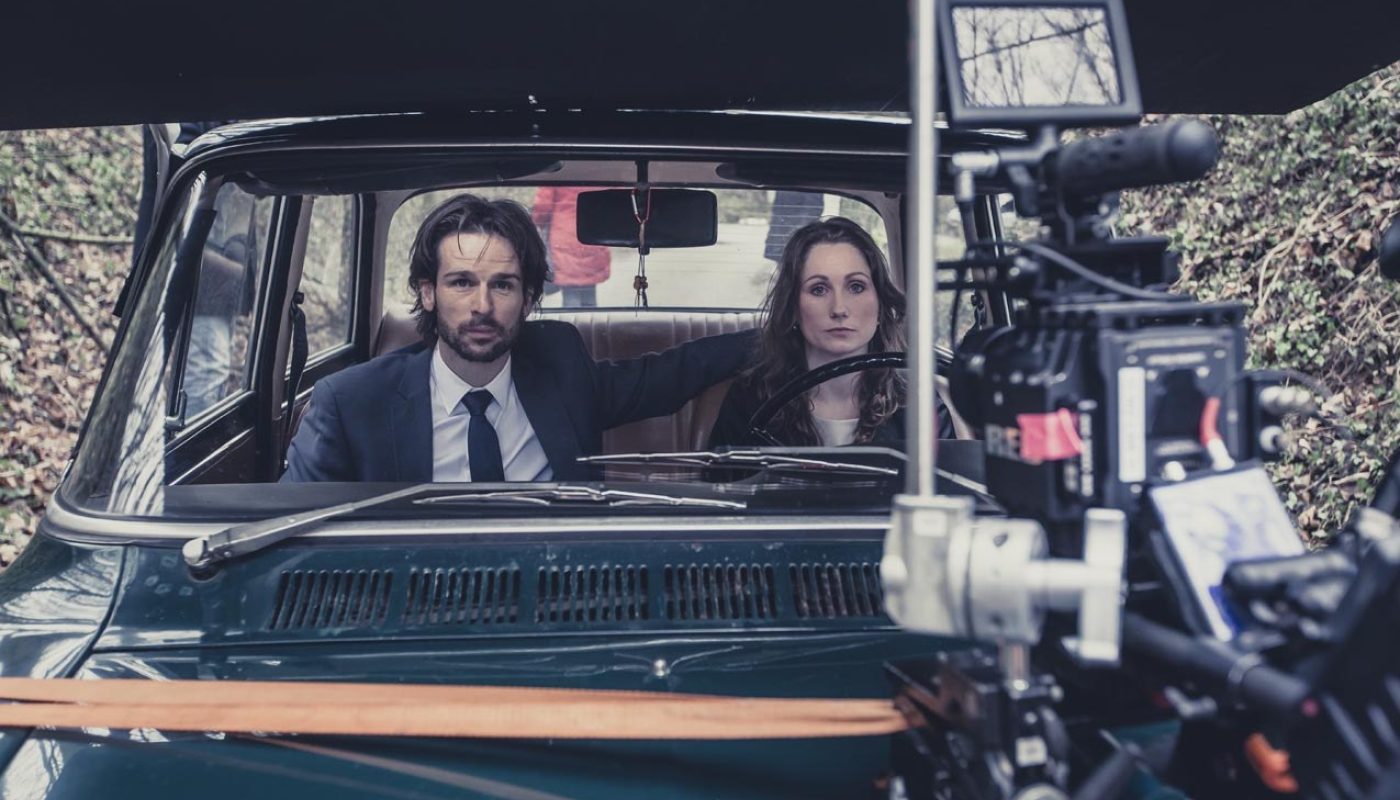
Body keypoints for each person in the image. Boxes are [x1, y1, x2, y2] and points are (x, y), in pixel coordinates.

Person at [282, 193, 754, 483]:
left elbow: (668, 375)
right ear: (428, 293)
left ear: (528, 299)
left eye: (503, 285)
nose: (482, 306)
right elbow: (291, 531)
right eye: (461, 282)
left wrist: (778, 337)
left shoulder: (561, 368)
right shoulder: (350, 402)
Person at [708, 216, 955, 451]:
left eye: (856, 287)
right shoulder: (751, 397)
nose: (839, 309)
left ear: (880, 303)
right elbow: (725, 477)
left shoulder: (918, 401)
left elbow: (945, 477)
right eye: (818, 289)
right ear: (794, 307)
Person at [532, 186, 611, 307]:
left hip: (565, 238)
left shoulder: (557, 176)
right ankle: (591, 317)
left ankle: (572, 318)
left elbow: (542, 209)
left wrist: (538, 222)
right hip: (593, 233)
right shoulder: (598, 174)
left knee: (571, 293)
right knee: (589, 290)